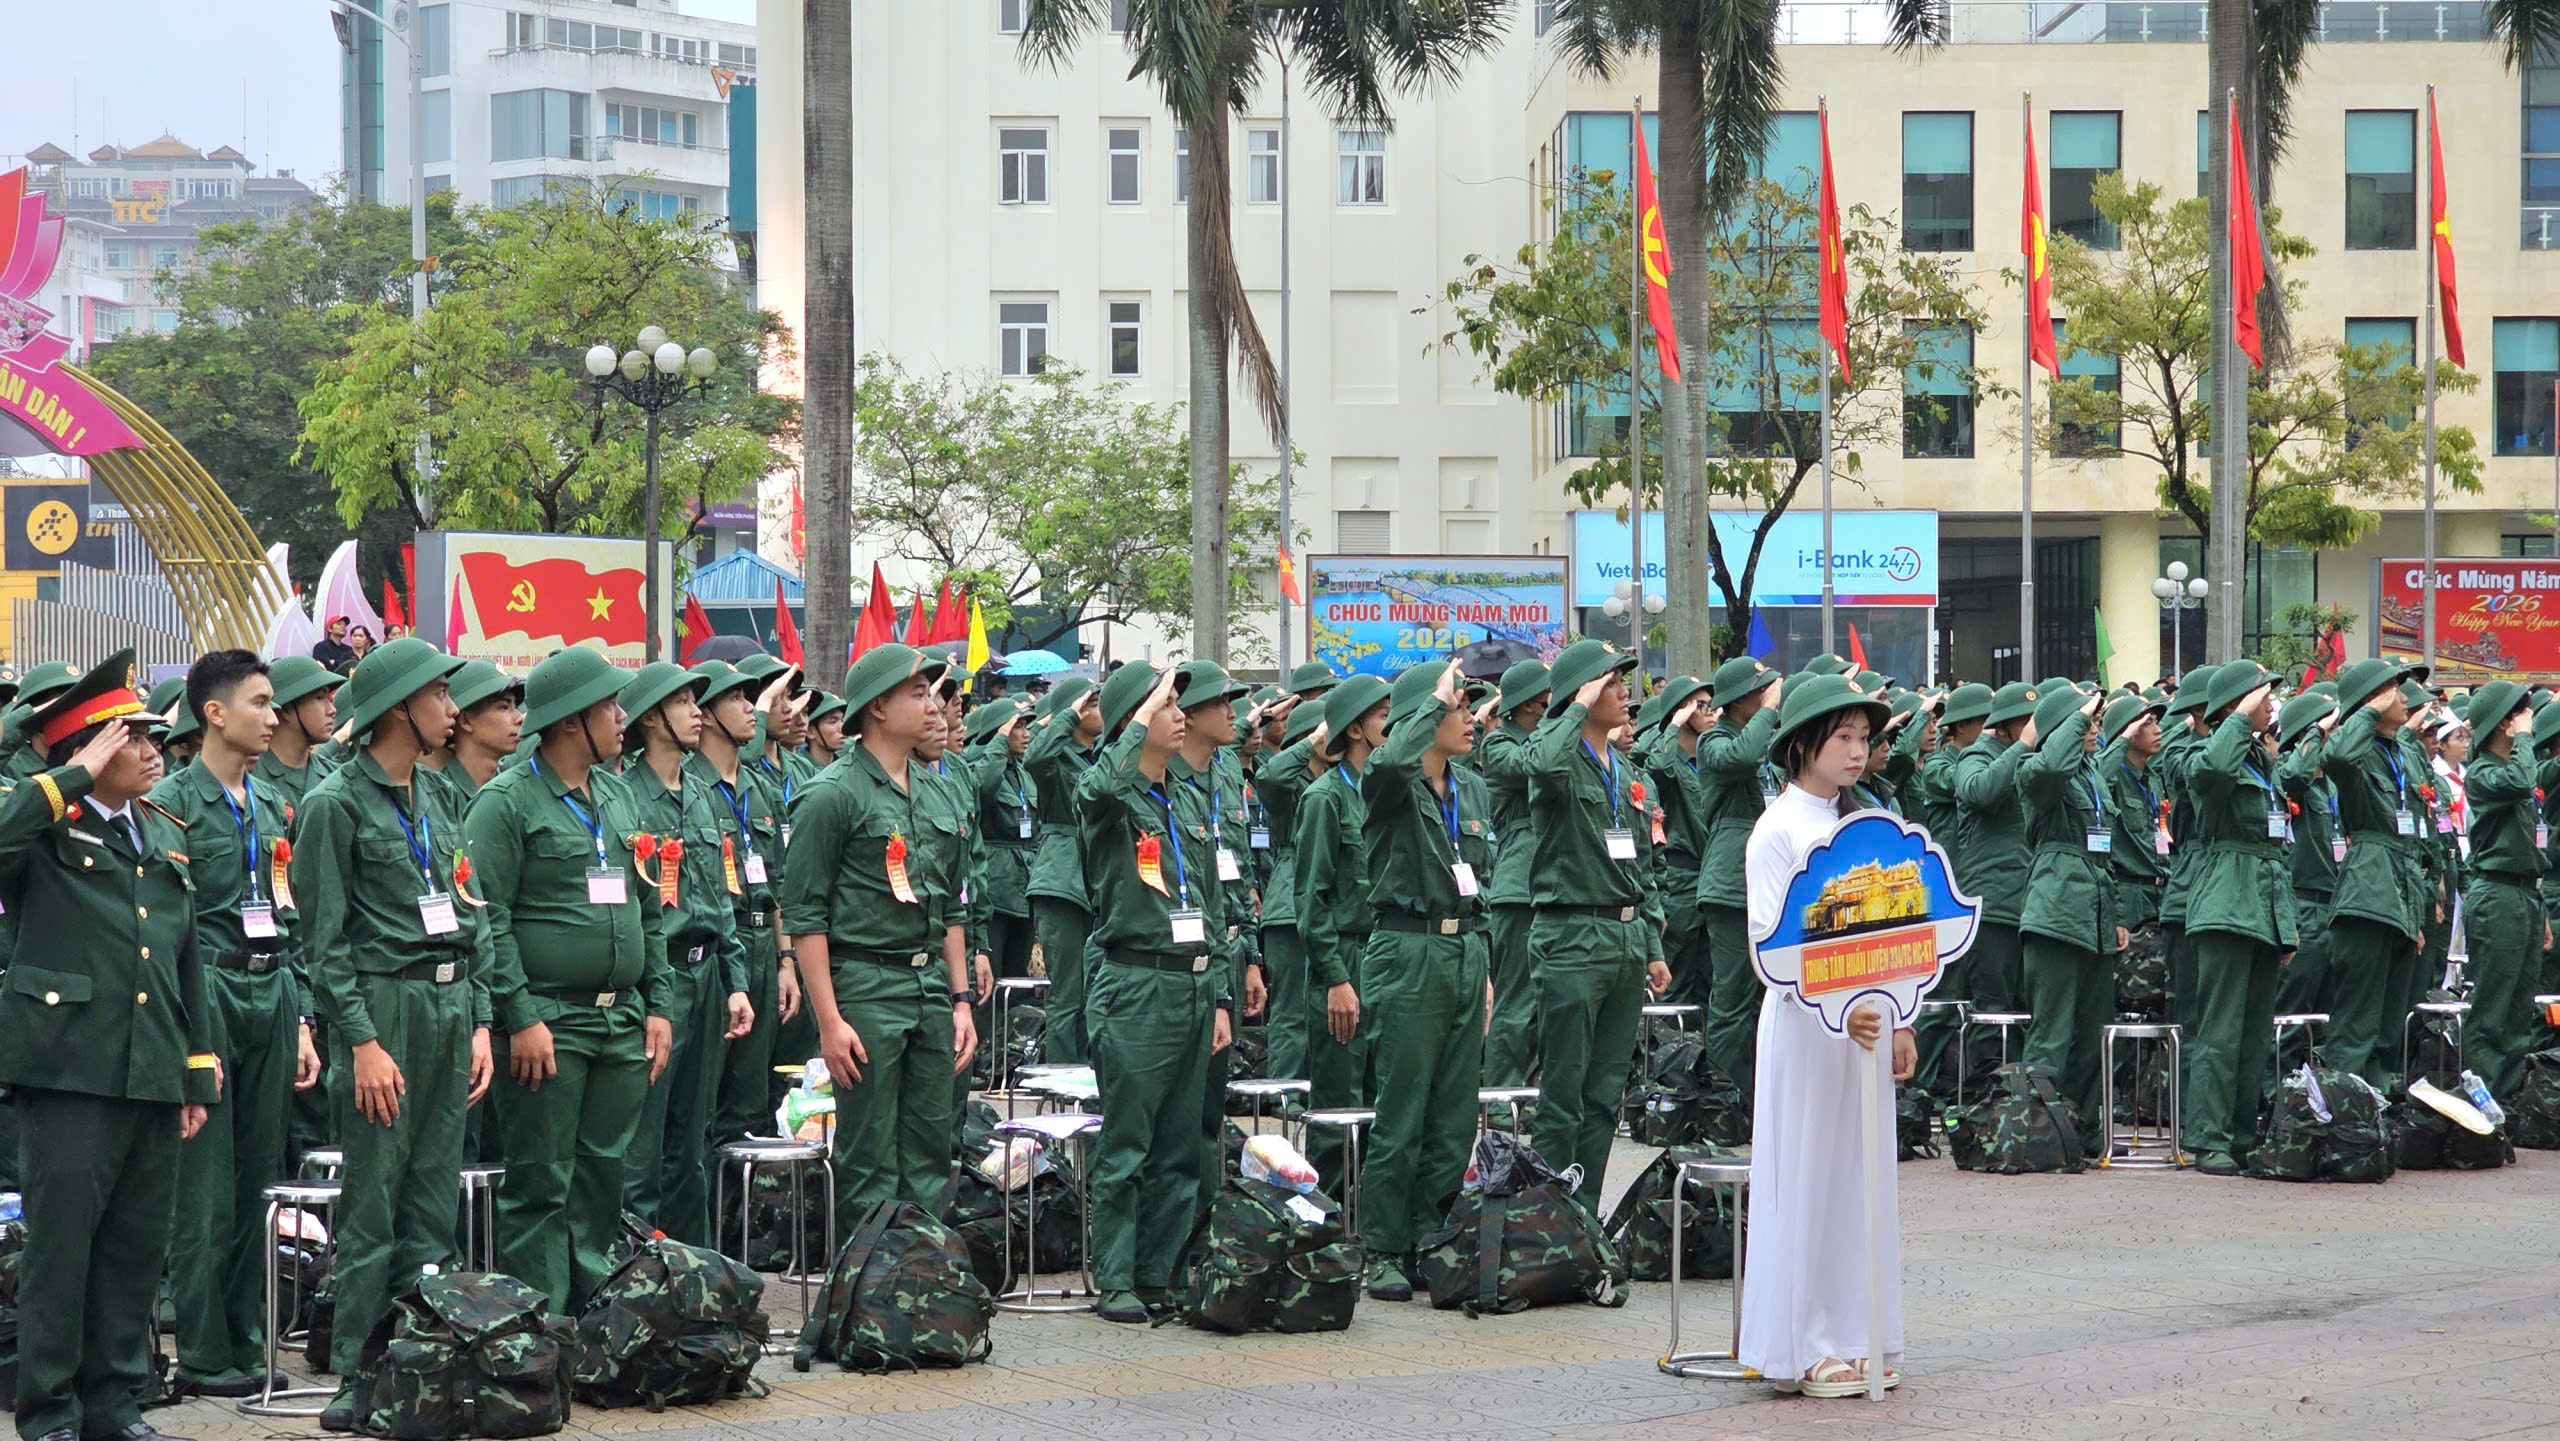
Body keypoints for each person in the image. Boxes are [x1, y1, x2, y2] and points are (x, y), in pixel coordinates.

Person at [0, 652, 211, 1441]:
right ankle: (50, 1409)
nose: (158, 748)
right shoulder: (43, 821)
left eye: (159, 735)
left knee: (132, 1251)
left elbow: (188, 957)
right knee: (61, 1253)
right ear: (86, 749)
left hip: (150, 1066)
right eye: (135, 736)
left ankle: (114, 1406)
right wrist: (71, 779)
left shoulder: (162, 831)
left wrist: (196, 1070)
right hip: (69, 1067)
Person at [288, 638, 492, 1430]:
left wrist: (477, 1021)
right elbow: (324, 943)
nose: (453, 707)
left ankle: (420, 1357)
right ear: (400, 708)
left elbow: (470, 914)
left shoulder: (439, 799)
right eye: (440, 694)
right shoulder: (335, 803)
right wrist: (363, 1040)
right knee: (374, 1197)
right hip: (383, 1008)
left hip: (446, 1006)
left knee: (434, 1194)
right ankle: (356, 1371)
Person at [465, 648, 673, 1312]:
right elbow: (486, 919)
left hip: (620, 1019)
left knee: (602, 1176)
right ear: (570, 722)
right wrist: (520, 1015)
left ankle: (593, 1322)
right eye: (609, 706)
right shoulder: (506, 802)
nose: (622, 716)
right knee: (541, 1183)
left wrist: (657, 1003)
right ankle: (542, 1329)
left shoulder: (616, 793)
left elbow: (647, 906)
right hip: (550, 1021)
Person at [1738, 672, 1913, 1398]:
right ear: (1802, 743)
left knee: (1859, 1180)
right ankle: (1805, 1343)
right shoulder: (1777, 828)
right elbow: (1771, 945)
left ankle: (1857, 1327)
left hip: (1868, 1029)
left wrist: (1898, 1014)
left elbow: (1900, 929)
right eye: (1842, 736)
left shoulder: (1861, 824)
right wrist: (1843, 1004)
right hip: (1808, 1030)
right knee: (1807, 1176)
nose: (1856, 750)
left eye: (1864, 738)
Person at [156, 650, 324, 1398]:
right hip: (211, 991)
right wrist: (191, 1035)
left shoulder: (271, 805)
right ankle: (201, 1349)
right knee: (206, 1187)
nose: (274, 714)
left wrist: (301, 1024)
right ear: (214, 713)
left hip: (271, 989)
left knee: (260, 1177)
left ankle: (249, 1338)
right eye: (259, 701)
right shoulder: (172, 802)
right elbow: (166, 932)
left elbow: (288, 916)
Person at [783, 644, 979, 1236]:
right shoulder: (832, 794)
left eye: (932, 693)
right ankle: (864, 1306)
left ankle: (917, 1298)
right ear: (876, 709)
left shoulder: (937, 790)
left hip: (926, 988)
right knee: (868, 1164)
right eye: (917, 694)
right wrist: (829, 1020)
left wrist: (960, 998)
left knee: (929, 1156)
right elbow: (806, 916)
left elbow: (947, 907)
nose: (933, 706)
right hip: (865, 987)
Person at [1073, 664, 1232, 1322]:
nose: (1180, 714)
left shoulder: (1188, 797)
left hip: (1192, 984)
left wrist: (1220, 993)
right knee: (1128, 1142)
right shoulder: (1113, 797)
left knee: (1181, 1146)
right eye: (1165, 704)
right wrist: (1133, 722)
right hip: (1136, 982)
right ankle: (1115, 1276)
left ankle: (1158, 1272)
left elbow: (1214, 906)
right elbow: (1096, 787)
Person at [1354, 661, 1493, 1302]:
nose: (1469, 718)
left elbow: (1480, 882)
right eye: (1456, 707)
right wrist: (1427, 697)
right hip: (1406, 950)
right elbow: (1384, 765)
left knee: (1454, 1115)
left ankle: (1431, 1237)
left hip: (1463, 949)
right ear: (1421, 720)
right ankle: (1382, 1246)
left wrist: (1483, 964)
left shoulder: (1470, 786)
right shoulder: (1392, 784)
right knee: (1402, 1110)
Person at [1525, 640, 1671, 1210]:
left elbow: (1644, 867)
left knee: (1606, 1092)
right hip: (1571, 937)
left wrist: (1653, 944)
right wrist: (1573, 705)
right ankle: (1546, 1216)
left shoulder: (1630, 774)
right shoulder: (1557, 757)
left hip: (1625, 938)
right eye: (1611, 684)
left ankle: (1581, 1216)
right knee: (1563, 1091)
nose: (1624, 695)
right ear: (1582, 694)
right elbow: (1540, 765)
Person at [616, 662, 754, 1245]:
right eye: (683, 702)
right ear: (650, 716)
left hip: (708, 978)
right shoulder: (624, 796)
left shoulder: (703, 795)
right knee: (641, 1146)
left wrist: (738, 979)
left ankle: (691, 1276)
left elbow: (722, 897)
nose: (698, 711)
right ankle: (633, 1275)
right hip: (660, 981)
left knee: (693, 1144)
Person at [2179, 662, 2297, 1175]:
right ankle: (2209, 1138)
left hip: (2264, 903)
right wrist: (2237, 721)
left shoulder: (2259, 757)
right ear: (2235, 704)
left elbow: (2276, 844)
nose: (2273, 704)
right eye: (2262, 696)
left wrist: (2284, 924)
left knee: (2253, 1033)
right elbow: (2210, 774)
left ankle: (2243, 1135)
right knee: (2220, 1030)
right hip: (2226, 900)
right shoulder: (2202, 752)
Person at [692, 660, 799, 1177]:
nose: (750, 709)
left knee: (750, 1099)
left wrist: (785, 961)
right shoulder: (688, 785)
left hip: (761, 946)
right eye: (736, 699)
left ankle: (738, 1220)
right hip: (717, 950)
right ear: (706, 715)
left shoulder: (757, 789)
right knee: (702, 1101)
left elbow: (776, 883)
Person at [1294, 673, 1390, 1193]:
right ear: (1355, 729)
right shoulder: (1324, 799)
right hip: (1345, 961)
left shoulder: (1391, 791)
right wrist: (1335, 977)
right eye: (1382, 715)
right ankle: (1325, 1232)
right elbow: (1311, 900)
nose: (1393, 723)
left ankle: (1371, 1223)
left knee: (1384, 1100)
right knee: (1338, 1102)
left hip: (1388, 959)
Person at [2014, 683, 2117, 1152]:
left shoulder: (2093, 773)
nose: (2095, 728)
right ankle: (2039, 1133)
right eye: (2087, 722)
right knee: (2051, 1033)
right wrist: (2073, 718)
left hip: (2093, 913)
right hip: (2055, 911)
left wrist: (2113, 917)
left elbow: (2104, 848)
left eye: (2095, 722)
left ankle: (2084, 1132)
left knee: (2091, 1033)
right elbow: (2052, 765)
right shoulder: (2036, 769)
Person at [2320, 659, 2432, 1087]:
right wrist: (2366, 709)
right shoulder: (2358, 749)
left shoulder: (2401, 752)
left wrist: (2415, 915)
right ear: (2374, 698)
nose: (2405, 700)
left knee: (2388, 1027)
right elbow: (2339, 760)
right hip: (2368, 895)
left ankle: (2377, 1116)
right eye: (2395, 691)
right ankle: (2344, 1121)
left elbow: (2415, 836)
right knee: (2357, 1025)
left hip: (2402, 894)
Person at [1696, 658, 1782, 1098]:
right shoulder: (1714, 740)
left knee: (1767, 999)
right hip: (1731, 886)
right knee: (1731, 1001)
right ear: (1738, 699)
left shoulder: (1763, 744)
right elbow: (1743, 756)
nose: (1769, 694)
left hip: (1768, 884)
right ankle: (1724, 1100)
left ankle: (1757, 1097)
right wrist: (1770, 710)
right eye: (1760, 689)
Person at [2455, 681, 2543, 1103]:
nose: (2526, 718)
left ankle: (2505, 1104)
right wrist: (2525, 736)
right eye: (2518, 713)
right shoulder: (2486, 772)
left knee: (2518, 1012)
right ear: (2503, 722)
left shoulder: (2509, 770)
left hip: (2523, 893)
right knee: (2491, 1013)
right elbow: (2523, 779)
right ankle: (2480, 1105)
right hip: (2497, 894)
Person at [1473, 661, 1549, 1088]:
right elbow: (1535, 765)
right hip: (1520, 885)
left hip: (1553, 883)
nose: (1551, 701)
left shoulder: (1544, 738)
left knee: (1546, 1005)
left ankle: (1532, 1088)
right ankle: (1501, 1096)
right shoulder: (1499, 744)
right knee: (1516, 1001)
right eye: (1543, 696)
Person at [1023, 678, 1101, 1064]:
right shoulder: (1057, 756)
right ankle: (1063, 1079)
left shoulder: (1101, 754)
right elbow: (1035, 757)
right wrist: (1065, 715)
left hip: (1098, 877)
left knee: (1095, 991)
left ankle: (1090, 1076)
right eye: (1093, 704)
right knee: (1068, 993)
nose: (1100, 710)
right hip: (1063, 880)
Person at [1636, 675, 1713, 1010]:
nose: (1710, 712)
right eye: (1700, 707)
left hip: (1708, 880)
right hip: (1681, 884)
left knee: (1710, 984)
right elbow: (1656, 768)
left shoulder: (1708, 760)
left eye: (1710, 705)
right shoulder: (1669, 761)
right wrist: (1673, 725)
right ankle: (1669, 1058)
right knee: (1676, 985)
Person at [2274, 689, 2342, 1020]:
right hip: (2303, 908)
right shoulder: (2288, 774)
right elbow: (2292, 776)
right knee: (2292, 1015)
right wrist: (2317, 733)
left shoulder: (2331, 785)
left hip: (2333, 906)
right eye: (2334, 729)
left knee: (2327, 1016)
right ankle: (2283, 1073)